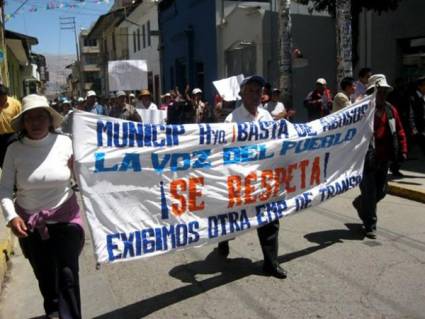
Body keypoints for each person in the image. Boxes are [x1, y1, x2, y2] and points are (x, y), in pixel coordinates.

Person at [0, 94, 84, 319]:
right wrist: (11, 217)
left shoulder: (66, 142)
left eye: (40, 117)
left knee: (68, 274)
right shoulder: (14, 150)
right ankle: (54, 311)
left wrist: (77, 168)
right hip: (30, 223)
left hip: (66, 218)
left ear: (49, 120)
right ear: (23, 123)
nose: (35, 123)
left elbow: (83, 180)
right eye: (30, 118)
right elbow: (5, 188)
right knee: (45, 275)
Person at [217, 75, 287, 279]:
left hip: (264, 178)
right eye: (251, 91)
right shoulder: (232, 120)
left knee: (270, 218)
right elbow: (225, 151)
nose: (256, 95)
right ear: (242, 94)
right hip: (241, 177)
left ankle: (270, 263)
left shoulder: (266, 117)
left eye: (259, 91)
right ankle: (224, 239)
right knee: (232, 215)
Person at [352, 74, 408, 239]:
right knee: (370, 193)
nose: (382, 95)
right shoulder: (361, 111)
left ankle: (360, 204)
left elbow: (400, 131)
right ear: (371, 93)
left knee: (381, 192)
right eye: (379, 91)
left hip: (384, 159)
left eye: (384, 91)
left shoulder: (391, 110)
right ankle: (370, 225)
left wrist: (403, 150)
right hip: (366, 160)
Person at [0, 84, 21, 168]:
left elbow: (21, 119)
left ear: (6, 95)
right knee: (2, 160)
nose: (1, 101)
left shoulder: (15, 104)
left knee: (13, 159)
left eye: (3, 98)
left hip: (12, 136)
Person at [408, 75, 425, 155]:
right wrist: (414, 129)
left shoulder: (423, 97)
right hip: (417, 131)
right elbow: (411, 114)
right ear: (419, 86)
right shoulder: (412, 98)